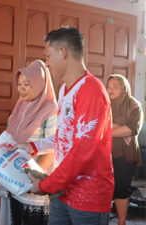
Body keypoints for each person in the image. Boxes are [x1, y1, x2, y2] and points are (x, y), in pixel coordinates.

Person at [12, 26, 114, 225]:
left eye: (48, 57)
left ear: (63, 52)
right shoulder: (65, 90)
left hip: (88, 198)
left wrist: (46, 184)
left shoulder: (91, 91)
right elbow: (63, 137)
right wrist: (32, 147)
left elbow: (83, 152)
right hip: (62, 191)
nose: (47, 64)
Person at [0, 59, 58, 225]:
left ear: (39, 84)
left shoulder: (50, 110)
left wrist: (33, 180)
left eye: (27, 84)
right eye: (19, 84)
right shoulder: (21, 106)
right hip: (14, 179)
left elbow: (52, 149)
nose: (21, 89)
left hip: (34, 182)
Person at [106, 74, 144, 225]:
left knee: (121, 187)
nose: (111, 90)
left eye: (116, 86)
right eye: (108, 86)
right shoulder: (103, 103)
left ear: (124, 87)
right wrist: (116, 127)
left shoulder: (134, 105)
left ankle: (121, 222)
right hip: (104, 152)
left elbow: (130, 129)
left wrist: (107, 130)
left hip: (124, 154)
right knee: (104, 187)